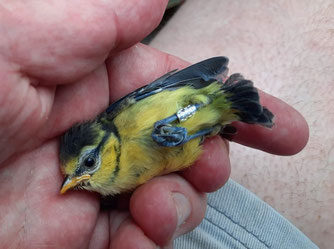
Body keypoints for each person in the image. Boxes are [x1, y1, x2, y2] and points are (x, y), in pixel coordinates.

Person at [0, 0, 323, 248]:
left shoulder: (117, 119)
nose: (75, 180)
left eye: (88, 163)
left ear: (104, 145)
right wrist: (201, 130)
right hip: (201, 129)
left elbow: (157, 89)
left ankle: (218, 110)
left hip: (197, 100)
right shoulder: (116, 185)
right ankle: (218, 118)